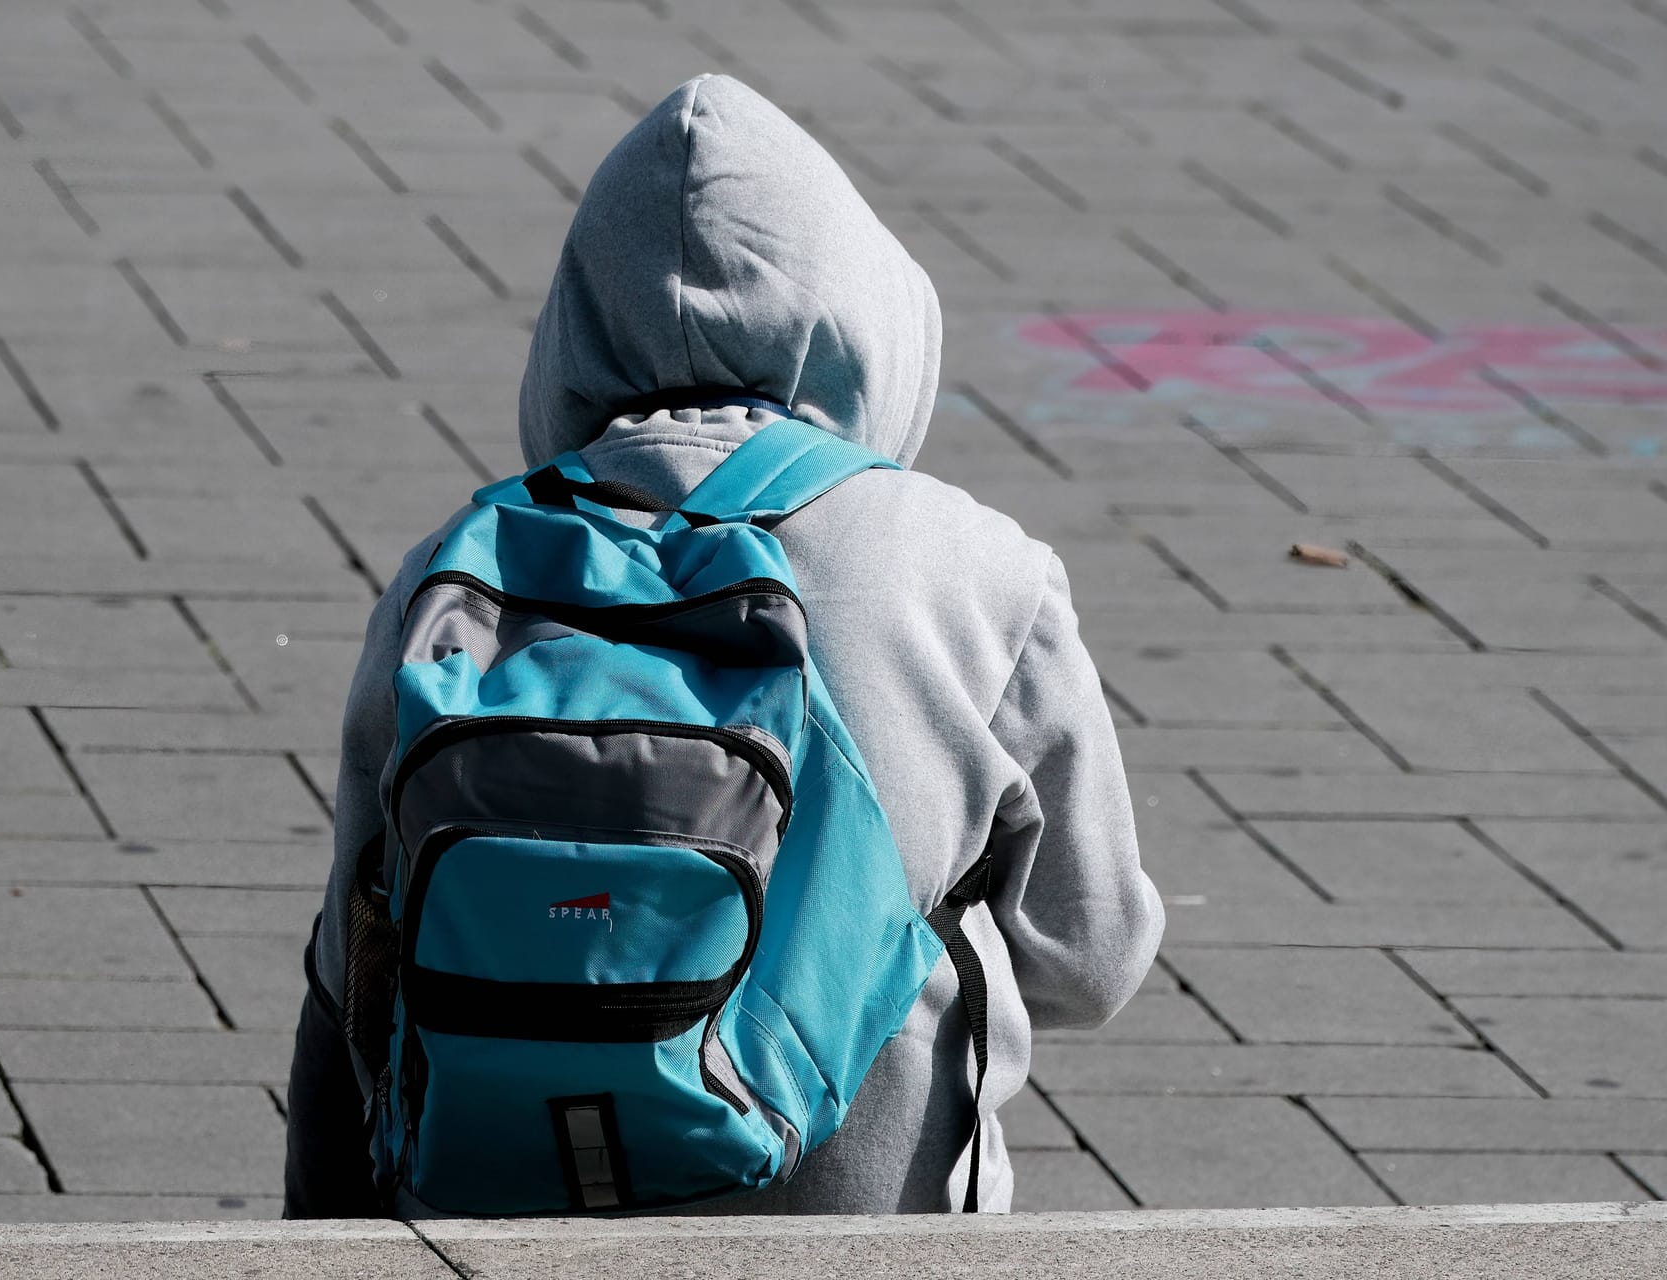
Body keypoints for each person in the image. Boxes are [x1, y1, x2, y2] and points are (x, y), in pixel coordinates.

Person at [284, 73, 1163, 1217]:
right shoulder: (980, 564)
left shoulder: (458, 564)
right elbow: (1087, 961)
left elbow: (356, 959)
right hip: (863, 1222)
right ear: (868, 320)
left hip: (501, 1199)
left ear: (576, 330)